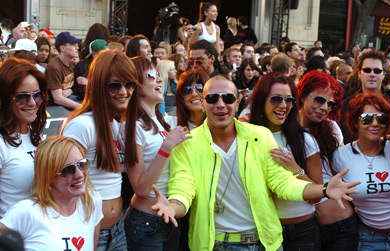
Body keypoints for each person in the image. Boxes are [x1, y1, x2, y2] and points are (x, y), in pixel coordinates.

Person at [151, 74, 360, 251]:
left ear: (237, 103)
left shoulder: (260, 136)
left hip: (263, 243)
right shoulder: (187, 144)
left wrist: (323, 189)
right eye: (213, 98)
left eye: (228, 98)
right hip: (214, 244)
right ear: (203, 103)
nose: (221, 104)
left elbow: (281, 182)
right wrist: (173, 207)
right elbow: (183, 188)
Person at [62, 50, 138, 251]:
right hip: (89, 230)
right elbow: (62, 181)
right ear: (98, 86)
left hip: (117, 228)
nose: (123, 91)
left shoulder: (116, 124)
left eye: (129, 84)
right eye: (114, 85)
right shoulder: (82, 125)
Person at [247, 72, 322, 250]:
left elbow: (318, 195)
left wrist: (295, 169)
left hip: (302, 232)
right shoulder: (247, 137)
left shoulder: (305, 140)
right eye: (276, 99)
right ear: (261, 101)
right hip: (262, 232)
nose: (283, 106)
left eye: (289, 100)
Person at [123, 56, 190, 250]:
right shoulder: (132, 126)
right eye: (151, 76)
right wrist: (167, 147)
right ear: (135, 85)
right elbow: (141, 189)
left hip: (169, 218)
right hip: (145, 223)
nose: (159, 79)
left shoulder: (160, 121)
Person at [0, 136, 103, 250]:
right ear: (48, 176)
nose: (79, 174)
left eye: (82, 164)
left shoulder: (92, 202)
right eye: (68, 170)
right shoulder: (25, 212)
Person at [296, 70, 359, 251]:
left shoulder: (331, 128)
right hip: (302, 229)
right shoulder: (286, 131)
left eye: (330, 104)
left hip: (340, 226)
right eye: (319, 100)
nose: (325, 107)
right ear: (302, 95)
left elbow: (342, 170)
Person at [334, 94, 390, 250]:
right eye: (367, 118)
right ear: (355, 122)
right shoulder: (341, 156)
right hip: (368, 239)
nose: (375, 124)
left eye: (381, 119)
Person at [0, 58, 47, 218]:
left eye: (37, 95)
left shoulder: (35, 134)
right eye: (22, 97)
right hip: (11, 238)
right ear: (4, 99)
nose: (32, 103)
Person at [341, 50, 390, 143]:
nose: (372, 74)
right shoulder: (347, 105)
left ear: (384, 75)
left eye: (377, 71)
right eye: (367, 70)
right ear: (359, 74)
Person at [46, 31, 82, 109]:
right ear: (63, 48)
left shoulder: (72, 63)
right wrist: (83, 108)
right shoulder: (54, 67)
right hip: (56, 109)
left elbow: (77, 83)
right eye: (73, 45)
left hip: (68, 105)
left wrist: (71, 90)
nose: (77, 48)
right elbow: (58, 99)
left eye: (77, 45)